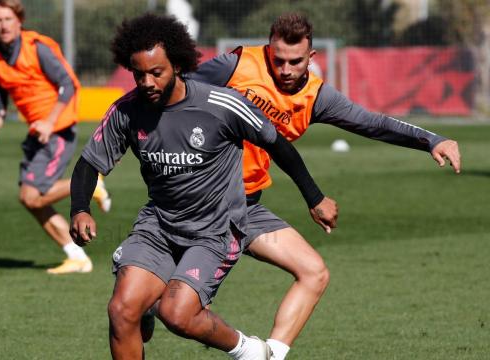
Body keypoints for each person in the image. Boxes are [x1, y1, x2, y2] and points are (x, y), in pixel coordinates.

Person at [184, 12, 462, 359]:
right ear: (268, 50)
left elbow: (372, 123)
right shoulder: (237, 64)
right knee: (179, 310)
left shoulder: (316, 97)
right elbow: (178, 89)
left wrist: (430, 139)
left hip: (248, 205)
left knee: (314, 273)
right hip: (203, 203)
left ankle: (270, 356)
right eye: (278, 60)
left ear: (311, 58)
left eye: (294, 62)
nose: (284, 70)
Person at [68, 13, 337, 360]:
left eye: (156, 72)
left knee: (176, 314)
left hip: (216, 231)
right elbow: (90, 162)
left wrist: (314, 198)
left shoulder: (221, 105)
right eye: (139, 74)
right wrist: (80, 209)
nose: (147, 82)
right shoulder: (127, 110)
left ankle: (249, 350)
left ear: (178, 65)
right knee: (122, 310)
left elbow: (278, 145)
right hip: (159, 226)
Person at [0, 0, 112, 275]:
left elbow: (69, 84)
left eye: (7, 19)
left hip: (58, 130)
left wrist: (49, 122)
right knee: (29, 199)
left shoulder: (37, 47)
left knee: (32, 195)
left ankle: (92, 184)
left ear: (18, 19)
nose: (2, 25)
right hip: (36, 135)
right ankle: (76, 256)